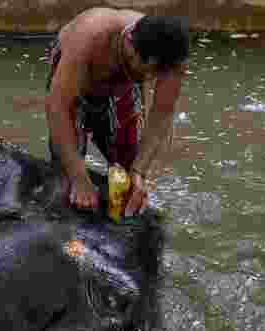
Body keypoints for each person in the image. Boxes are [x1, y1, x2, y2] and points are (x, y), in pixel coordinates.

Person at [45, 9, 189, 216]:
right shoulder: (91, 35)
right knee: (67, 180)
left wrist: (139, 171)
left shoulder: (173, 59)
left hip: (120, 87)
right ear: (129, 41)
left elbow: (161, 117)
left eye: (157, 74)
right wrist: (79, 177)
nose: (150, 78)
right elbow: (57, 108)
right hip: (73, 83)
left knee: (128, 181)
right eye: (147, 70)